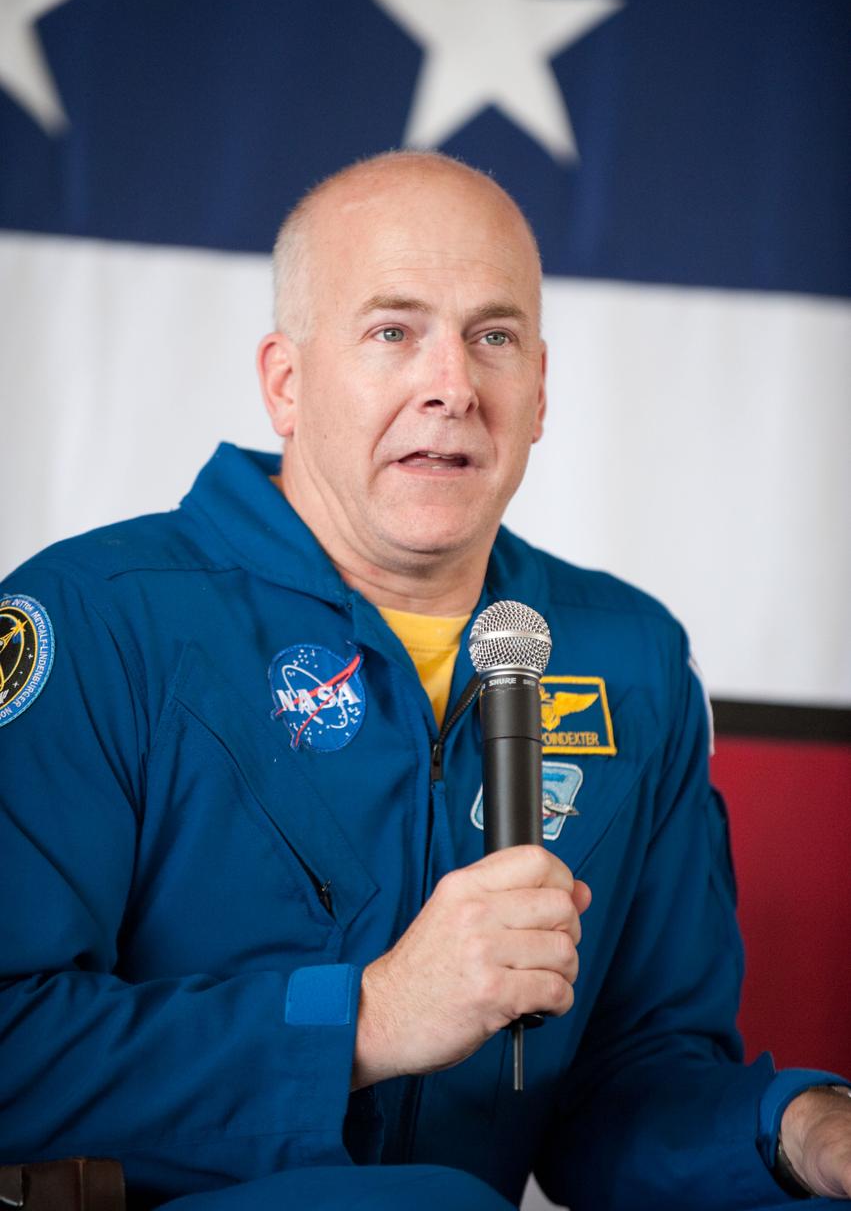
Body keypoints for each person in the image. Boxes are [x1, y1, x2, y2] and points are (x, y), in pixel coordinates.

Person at [1, 151, 849, 1211]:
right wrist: (366, 1017)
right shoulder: (94, 617)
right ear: (286, 381)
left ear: (538, 390)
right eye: (392, 331)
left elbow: (626, 1089)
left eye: (491, 336)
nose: (451, 384)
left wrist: (800, 1133)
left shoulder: (629, 657)